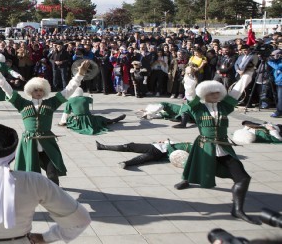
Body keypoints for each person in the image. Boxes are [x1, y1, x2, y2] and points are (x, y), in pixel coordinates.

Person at [173, 65, 260, 224]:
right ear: (204, 94)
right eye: (211, 93)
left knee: (243, 178)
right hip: (204, 146)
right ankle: (187, 180)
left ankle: (238, 210)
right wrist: (189, 76)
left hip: (224, 147)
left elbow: (238, 90)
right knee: (195, 166)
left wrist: (248, 74)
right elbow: (190, 92)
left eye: (218, 92)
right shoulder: (197, 108)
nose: (215, 95)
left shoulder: (224, 106)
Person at [0, 60, 91, 185]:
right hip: (29, 143)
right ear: (30, 91)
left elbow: (69, 90)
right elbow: (8, 89)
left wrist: (79, 74)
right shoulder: (22, 104)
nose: (38, 93)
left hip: (47, 143)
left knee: (52, 174)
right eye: (35, 91)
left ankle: (55, 195)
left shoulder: (51, 103)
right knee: (32, 176)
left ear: (44, 91)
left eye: (41, 91)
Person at [96, 139, 192, 169]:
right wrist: (165, 142)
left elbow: (174, 154)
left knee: (144, 157)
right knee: (130, 146)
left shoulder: (189, 149)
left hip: (160, 151)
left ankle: (126, 163)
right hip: (157, 147)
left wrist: (167, 143)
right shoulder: (188, 145)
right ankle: (102, 146)